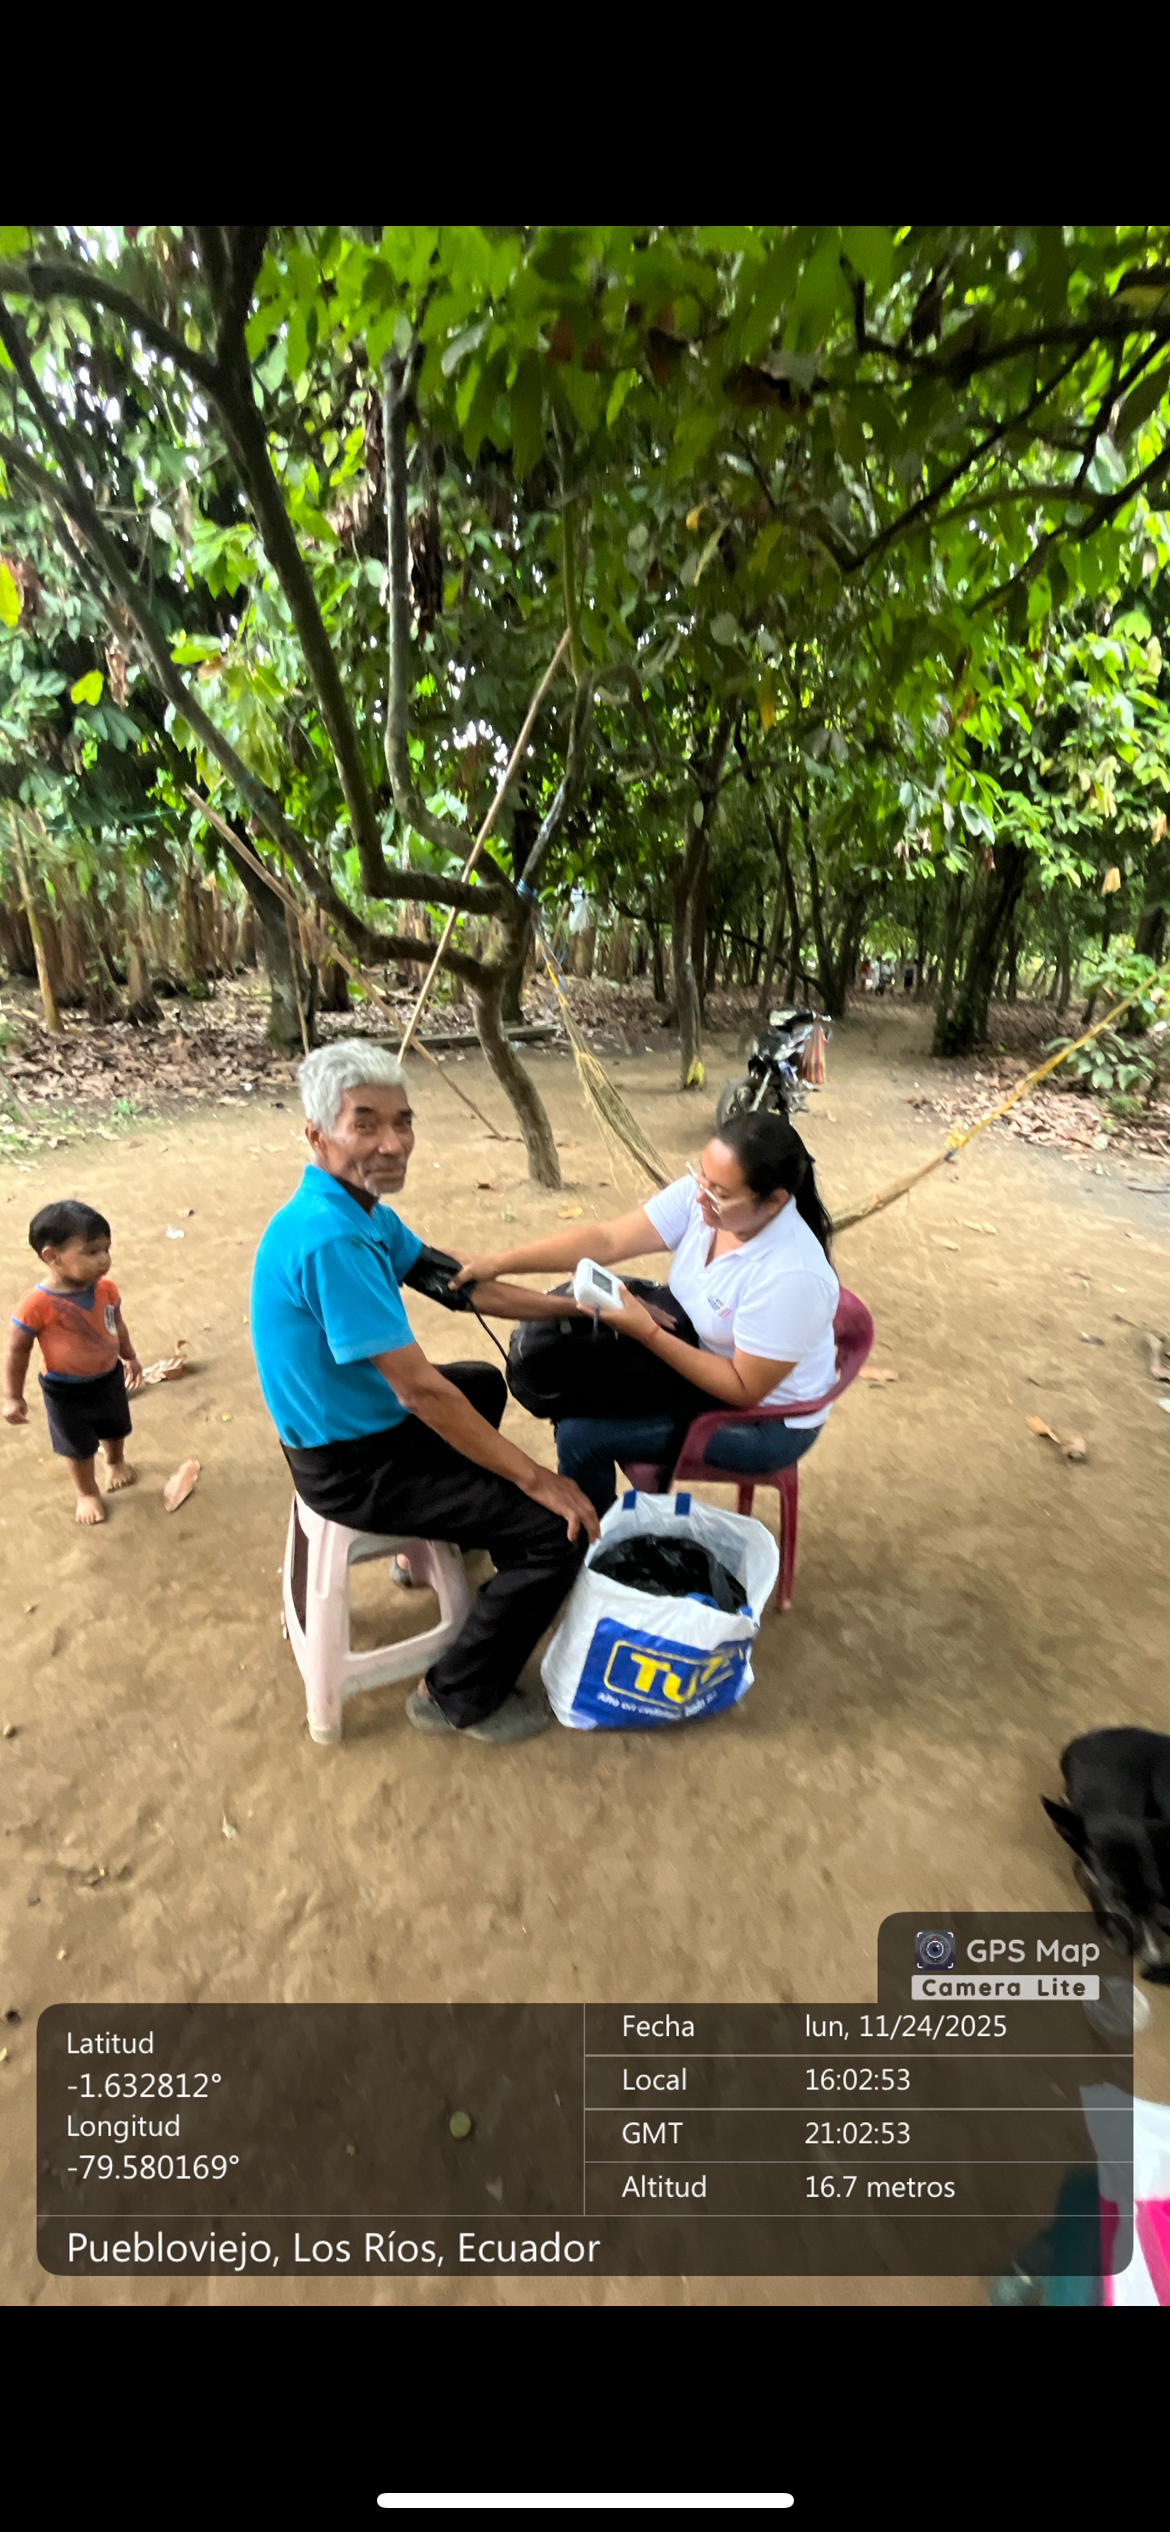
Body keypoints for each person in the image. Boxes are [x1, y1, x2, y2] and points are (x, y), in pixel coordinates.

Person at [249, 1043, 600, 1745]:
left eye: (403, 1121)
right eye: (366, 1124)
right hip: (352, 1466)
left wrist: (578, 1309)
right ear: (316, 1134)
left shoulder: (360, 1210)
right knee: (553, 1532)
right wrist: (539, 1480)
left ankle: (445, 1539)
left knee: (480, 1382)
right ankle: (454, 1695)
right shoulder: (331, 1240)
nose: (393, 1143)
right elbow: (419, 1393)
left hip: (353, 1430)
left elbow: (460, 1285)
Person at [451, 1110, 840, 1520]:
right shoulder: (703, 1200)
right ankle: (599, 1529)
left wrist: (646, 1333)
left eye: (720, 1193)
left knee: (580, 1436)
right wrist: (499, 1263)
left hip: (767, 1422)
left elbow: (744, 1388)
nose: (701, 1196)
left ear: (775, 1200)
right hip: (701, 1351)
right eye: (701, 1177)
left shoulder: (791, 1275)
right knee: (574, 1379)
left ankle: (591, 1541)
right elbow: (608, 1239)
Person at [4, 1199, 142, 1525]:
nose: (104, 1259)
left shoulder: (106, 1289)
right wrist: (12, 1396)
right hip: (64, 1390)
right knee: (77, 1447)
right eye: (91, 1252)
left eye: (107, 1249)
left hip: (108, 1376)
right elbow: (17, 1351)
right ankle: (86, 1491)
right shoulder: (36, 1304)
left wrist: (129, 1356)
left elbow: (116, 1323)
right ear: (52, 1256)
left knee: (116, 1427)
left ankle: (115, 1461)